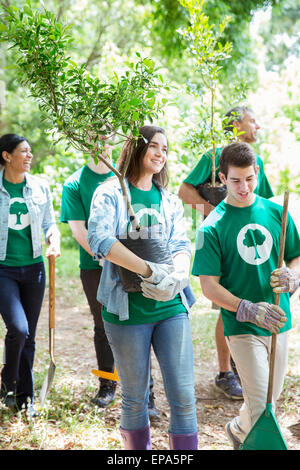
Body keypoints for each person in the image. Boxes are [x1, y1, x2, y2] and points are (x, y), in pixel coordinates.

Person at [88, 125, 198, 450]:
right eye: (154, 146)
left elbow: (181, 243)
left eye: (165, 149)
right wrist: (149, 271)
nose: (161, 153)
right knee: (135, 399)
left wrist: (178, 276)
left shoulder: (169, 199)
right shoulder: (110, 192)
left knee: (183, 395)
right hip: (126, 312)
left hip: (170, 308)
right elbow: (100, 240)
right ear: (136, 148)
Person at [191, 141, 300, 449]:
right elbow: (209, 286)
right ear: (222, 179)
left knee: (269, 398)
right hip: (242, 326)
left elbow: (296, 255)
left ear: (257, 173)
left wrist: (293, 276)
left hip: (279, 320)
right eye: (236, 180)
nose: (244, 186)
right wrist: (249, 309)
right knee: (262, 406)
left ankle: (239, 429)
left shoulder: (277, 212)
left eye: (250, 179)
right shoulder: (211, 227)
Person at [179, 106, 274, 400]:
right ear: (235, 124)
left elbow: (265, 201)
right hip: (222, 244)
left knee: (252, 304)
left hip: (253, 246)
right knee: (225, 305)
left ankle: (248, 369)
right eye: (252, 119)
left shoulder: (255, 161)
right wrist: (217, 214)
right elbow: (184, 191)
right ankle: (225, 373)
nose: (257, 124)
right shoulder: (213, 156)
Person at [60, 140, 161, 418]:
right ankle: (107, 385)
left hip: (135, 264)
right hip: (95, 266)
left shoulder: (127, 179)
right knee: (102, 325)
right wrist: (104, 254)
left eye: (108, 133)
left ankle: (147, 394)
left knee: (142, 326)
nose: (102, 140)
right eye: (96, 133)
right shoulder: (74, 184)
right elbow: (80, 230)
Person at [0, 133, 60, 416]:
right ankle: (7, 382)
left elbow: (50, 223)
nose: (29, 156)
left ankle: (25, 397)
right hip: (3, 269)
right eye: (23, 151)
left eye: (30, 151)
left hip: (34, 268)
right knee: (19, 328)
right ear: (6, 155)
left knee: (30, 335)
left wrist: (54, 239)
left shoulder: (39, 188)